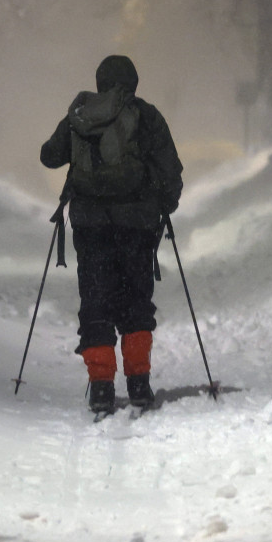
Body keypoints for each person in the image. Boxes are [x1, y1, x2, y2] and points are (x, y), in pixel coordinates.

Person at [40, 55, 184, 414]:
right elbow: (170, 170)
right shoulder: (147, 115)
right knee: (136, 300)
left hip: (90, 225)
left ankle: (101, 387)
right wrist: (164, 205)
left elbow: (50, 156)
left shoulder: (82, 112)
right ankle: (138, 383)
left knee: (95, 302)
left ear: (100, 81)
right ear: (134, 81)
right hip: (137, 224)